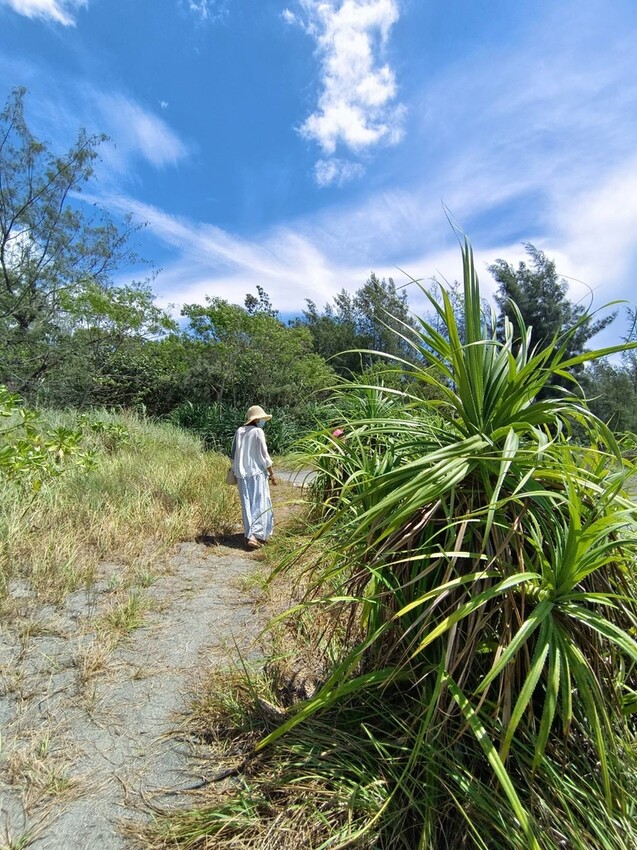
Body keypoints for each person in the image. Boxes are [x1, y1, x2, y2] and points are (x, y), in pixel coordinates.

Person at [231, 404, 277, 550]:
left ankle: (249, 535)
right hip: (257, 473)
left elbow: (233, 453)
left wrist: (236, 468)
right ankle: (256, 535)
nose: (263, 421)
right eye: (261, 419)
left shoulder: (239, 431)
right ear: (256, 419)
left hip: (241, 475)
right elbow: (265, 455)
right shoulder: (258, 432)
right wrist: (272, 473)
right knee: (260, 503)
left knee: (247, 505)